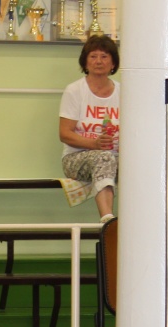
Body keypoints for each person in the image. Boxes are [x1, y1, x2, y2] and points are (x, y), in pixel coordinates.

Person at [59, 34, 120, 223]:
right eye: (93, 56)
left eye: (104, 56)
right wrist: (94, 143)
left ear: (113, 63)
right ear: (85, 62)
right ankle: (107, 221)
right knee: (104, 157)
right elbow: (64, 133)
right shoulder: (74, 90)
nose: (98, 61)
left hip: (115, 156)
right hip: (76, 158)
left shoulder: (124, 92)